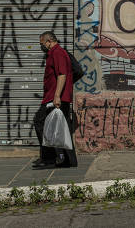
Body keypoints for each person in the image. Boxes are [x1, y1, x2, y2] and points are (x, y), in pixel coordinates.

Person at [32, 31, 78, 169]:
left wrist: (57, 95)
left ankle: (50, 158)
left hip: (55, 98)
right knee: (60, 129)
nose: (42, 46)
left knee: (40, 122)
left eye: (42, 44)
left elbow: (62, 74)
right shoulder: (55, 53)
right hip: (53, 96)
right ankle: (68, 160)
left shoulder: (57, 53)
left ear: (49, 41)